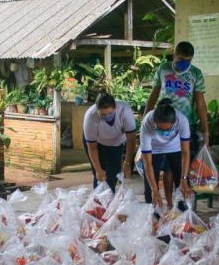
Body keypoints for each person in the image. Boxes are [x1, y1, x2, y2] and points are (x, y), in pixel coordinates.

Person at [145, 41, 209, 207]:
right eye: (181, 59)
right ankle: (170, 205)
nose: (184, 63)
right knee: (167, 169)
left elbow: (200, 103)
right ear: (174, 55)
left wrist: (205, 130)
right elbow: (153, 95)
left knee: (185, 169)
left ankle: (186, 209)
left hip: (186, 125)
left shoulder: (196, 73)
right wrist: (147, 117)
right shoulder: (163, 69)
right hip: (163, 124)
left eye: (188, 60)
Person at [140, 98, 194, 210]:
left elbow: (185, 152)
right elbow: (147, 162)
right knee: (150, 188)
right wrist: (155, 190)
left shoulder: (182, 120)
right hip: (154, 149)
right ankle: (152, 216)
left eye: (168, 129)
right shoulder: (147, 122)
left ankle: (183, 214)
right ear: (154, 123)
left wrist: (184, 179)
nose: (164, 133)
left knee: (183, 185)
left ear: (174, 123)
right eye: (160, 129)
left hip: (175, 148)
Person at [83, 92, 137, 192]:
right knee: (101, 174)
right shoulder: (90, 116)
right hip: (97, 143)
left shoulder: (125, 110)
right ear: (97, 110)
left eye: (110, 113)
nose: (107, 116)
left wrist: (127, 162)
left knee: (114, 173)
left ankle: (109, 198)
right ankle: (100, 202)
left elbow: (131, 139)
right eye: (103, 114)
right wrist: (98, 170)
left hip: (116, 143)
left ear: (115, 108)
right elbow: (92, 146)